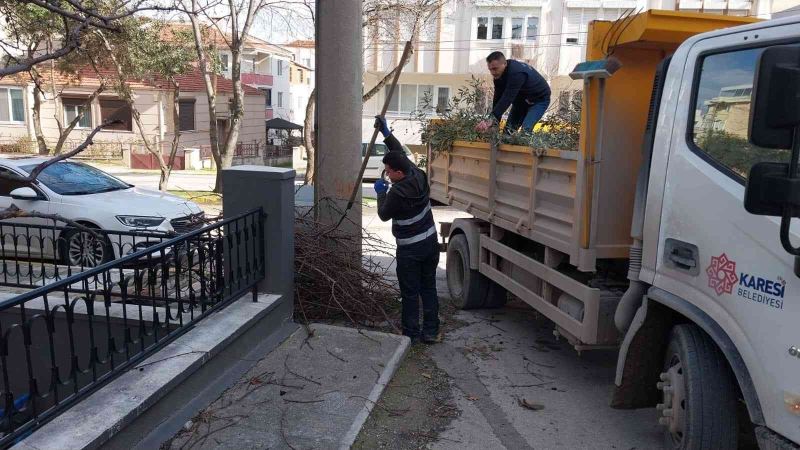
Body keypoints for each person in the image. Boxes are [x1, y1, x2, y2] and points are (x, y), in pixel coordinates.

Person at [372, 115, 440, 344]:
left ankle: (410, 334)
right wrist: (386, 134)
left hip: (411, 250)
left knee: (410, 292)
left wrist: (380, 192)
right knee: (428, 287)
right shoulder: (417, 174)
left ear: (398, 174)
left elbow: (382, 215)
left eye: (389, 171)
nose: (387, 174)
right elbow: (400, 153)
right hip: (430, 244)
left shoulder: (397, 193)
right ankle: (431, 332)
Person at [476, 51, 551, 134]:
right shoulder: (498, 77)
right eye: (490, 69)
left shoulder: (517, 73)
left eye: (495, 69)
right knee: (508, 132)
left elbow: (507, 98)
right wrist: (493, 123)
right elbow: (498, 99)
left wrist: (491, 119)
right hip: (521, 102)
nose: (492, 73)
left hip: (539, 100)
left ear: (504, 64)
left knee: (525, 130)